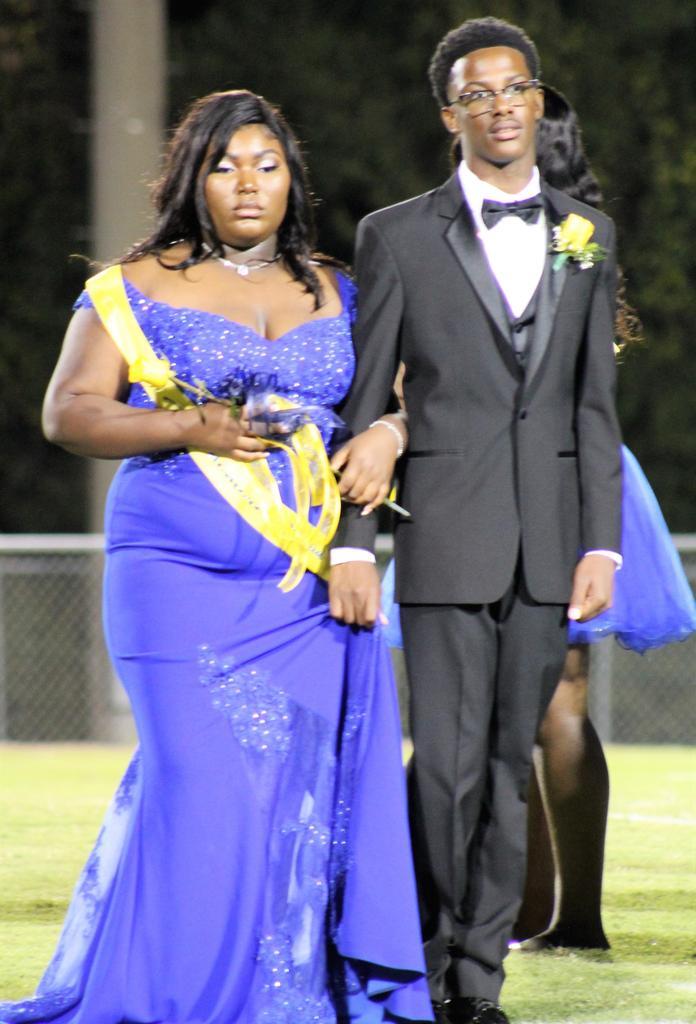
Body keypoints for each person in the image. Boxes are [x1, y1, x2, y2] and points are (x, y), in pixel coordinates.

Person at [0, 90, 432, 1024]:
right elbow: (68, 412)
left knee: (293, 791)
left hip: (308, 591)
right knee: (199, 788)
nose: (247, 183)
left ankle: (278, 992)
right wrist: (186, 425)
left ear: (292, 181)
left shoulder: (340, 290)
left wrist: (390, 433)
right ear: (192, 178)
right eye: (225, 165)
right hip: (174, 578)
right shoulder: (133, 286)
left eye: (266, 166)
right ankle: (181, 998)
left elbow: (410, 397)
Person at [329, 17, 623, 1024]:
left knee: (507, 771)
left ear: (538, 101)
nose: (501, 107)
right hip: (446, 537)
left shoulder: (588, 236)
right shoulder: (396, 235)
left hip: (549, 546)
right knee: (445, 771)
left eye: (516, 89)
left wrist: (600, 541)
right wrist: (352, 545)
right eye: (477, 94)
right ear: (449, 115)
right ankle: (419, 962)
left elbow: (592, 406)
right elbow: (365, 404)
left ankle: (478, 985)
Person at [512, 85, 696, 953]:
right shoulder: (580, 235)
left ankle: (567, 916)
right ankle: (546, 914)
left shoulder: (558, 240)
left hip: (548, 476)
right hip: (569, 472)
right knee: (543, 701)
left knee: (546, 700)